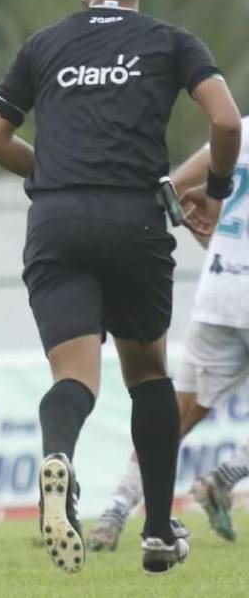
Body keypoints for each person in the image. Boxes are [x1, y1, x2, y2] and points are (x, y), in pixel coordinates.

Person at [0, 0, 241, 576]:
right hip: (136, 220)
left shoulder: (45, 44)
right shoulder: (172, 42)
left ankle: (58, 456)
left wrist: (55, 175)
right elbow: (228, 121)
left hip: (58, 223)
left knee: (73, 377)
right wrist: (218, 186)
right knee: (148, 375)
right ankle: (156, 531)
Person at [89, 125, 249, 549]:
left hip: (221, 294)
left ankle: (114, 512)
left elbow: (171, 190)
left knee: (170, 419)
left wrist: (212, 241)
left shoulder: (242, 131)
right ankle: (224, 477)